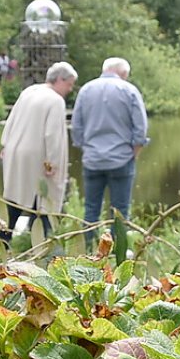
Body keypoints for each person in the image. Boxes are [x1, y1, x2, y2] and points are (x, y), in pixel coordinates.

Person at [70, 57, 149, 252]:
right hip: (121, 159)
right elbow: (140, 128)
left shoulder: (86, 90)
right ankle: (117, 254)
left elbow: (76, 126)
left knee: (91, 209)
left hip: (92, 160)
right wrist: (135, 151)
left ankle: (89, 251)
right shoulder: (129, 90)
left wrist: (86, 148)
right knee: (120, 212)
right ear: (123, 74)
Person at [0, 61, 77, 243]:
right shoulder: (55, 100)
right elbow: (53, 136)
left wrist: (5, 144)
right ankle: (39, 242)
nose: (70, 89)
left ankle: (4, 241)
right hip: (37, 156)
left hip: (15, 151)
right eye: (69, 84)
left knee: (14, 196)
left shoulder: (30, 91)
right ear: (59, 79)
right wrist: (52, 164)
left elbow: (11, 119)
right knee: (43, 199)